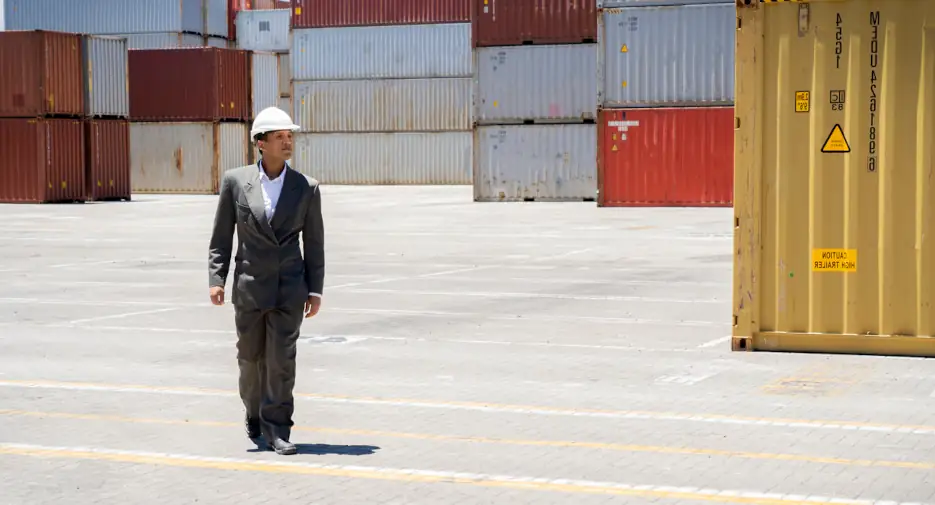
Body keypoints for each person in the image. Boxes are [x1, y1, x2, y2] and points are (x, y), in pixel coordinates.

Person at [207, 106, 325, 456]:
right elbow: (221, 236)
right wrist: (217, 278)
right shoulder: (235, 181)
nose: (288, 142)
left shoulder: (306, 187)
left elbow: (314, 243)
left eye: (290, 136)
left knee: (281, 360)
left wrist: (315, 289)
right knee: (249, 360)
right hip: (249, 286)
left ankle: (278, 429)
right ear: (261, 143)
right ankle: (254, 411)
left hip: (290, 287)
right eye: (280, 137)